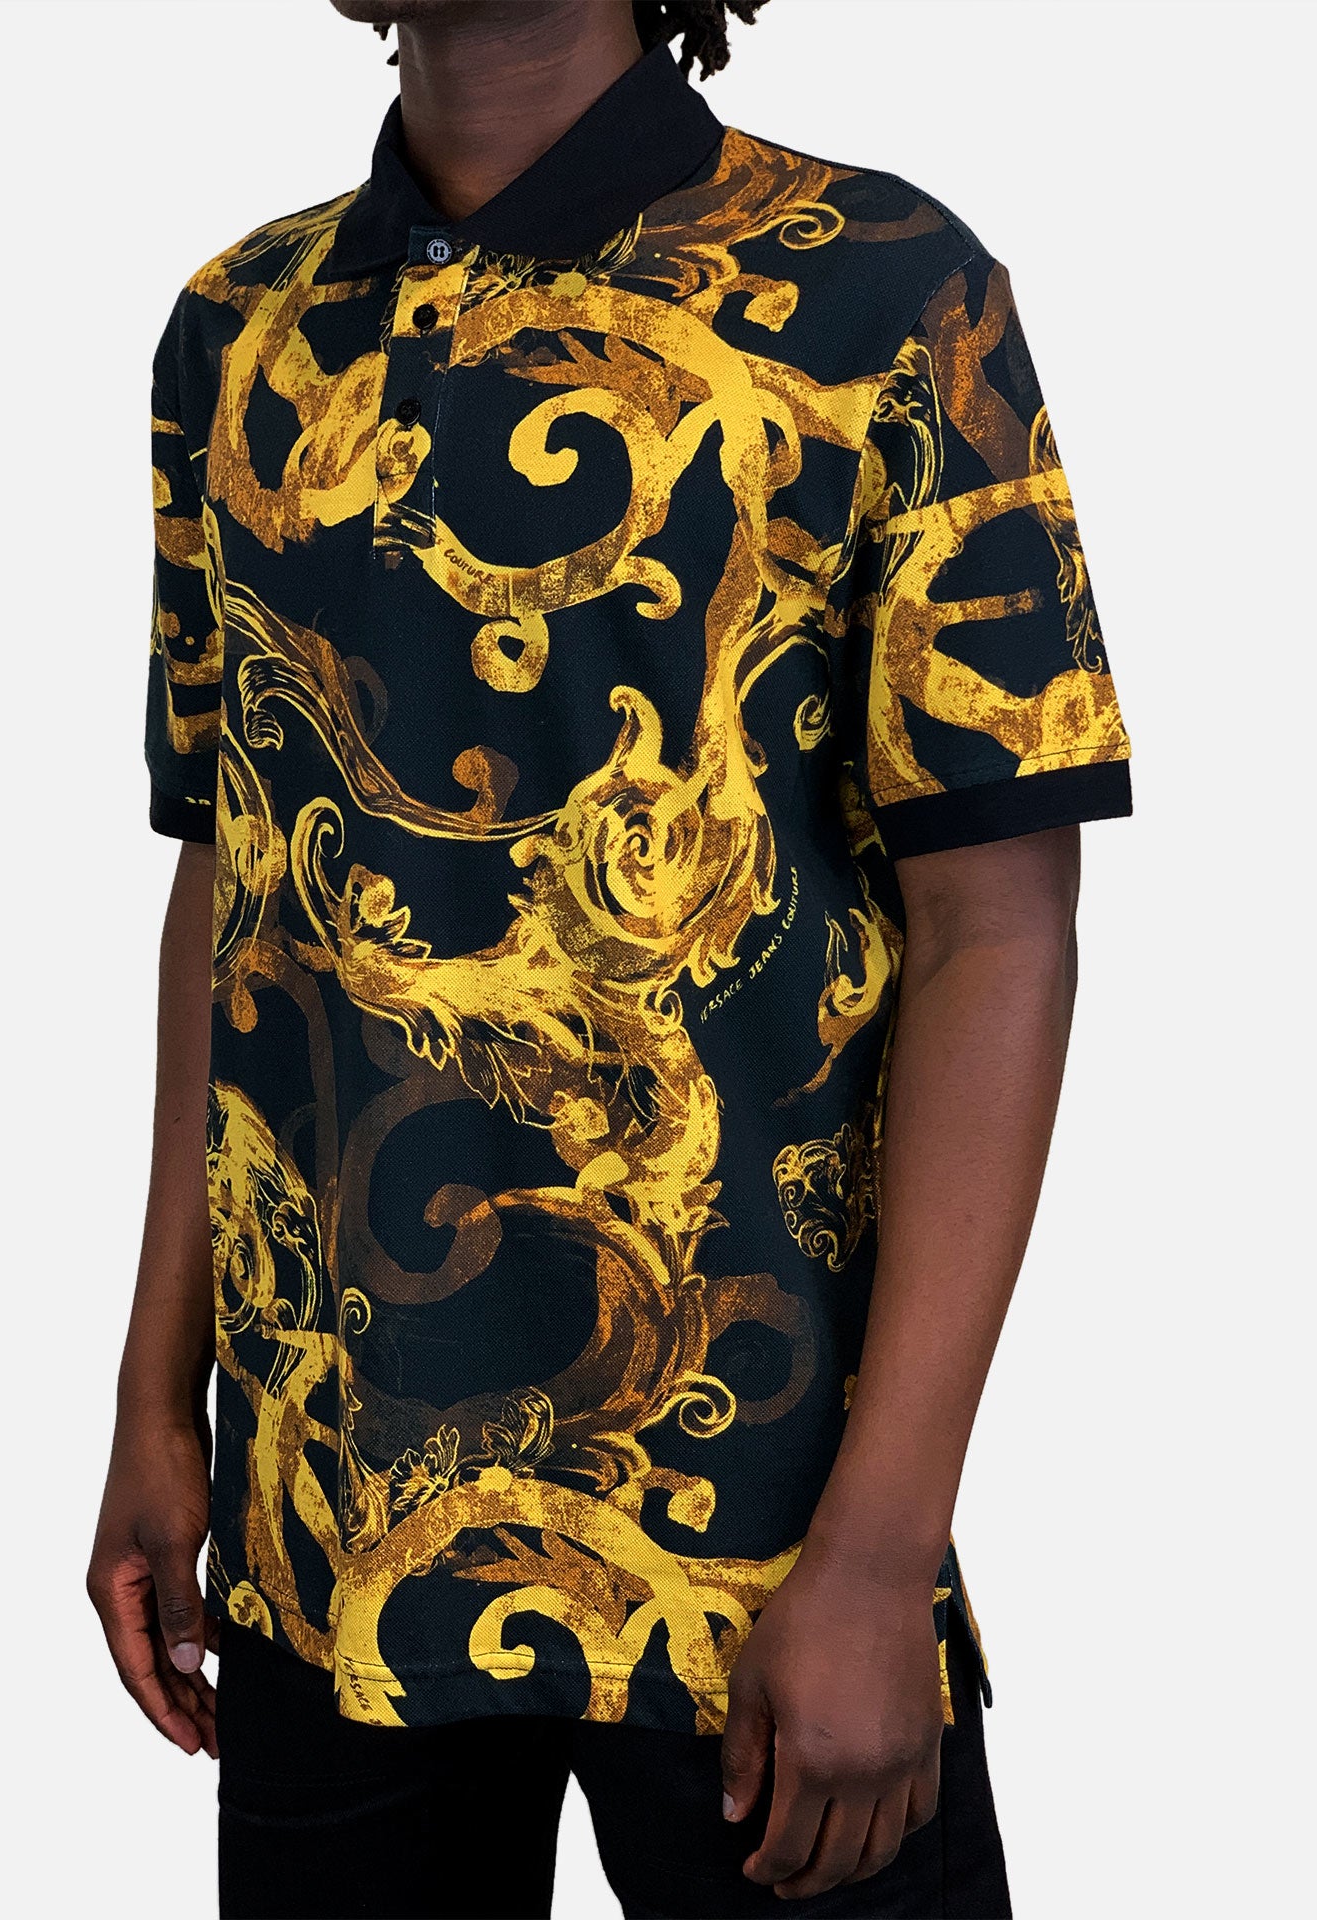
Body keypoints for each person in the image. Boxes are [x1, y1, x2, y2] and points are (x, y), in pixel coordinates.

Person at [87, 2, 1133, 1914]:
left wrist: (884, 1547)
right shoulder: (239, 333)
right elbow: (234, 876)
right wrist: (156, 1399)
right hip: (332, 1522)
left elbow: (1002, 927)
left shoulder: (887, 293)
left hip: (760, 1536)